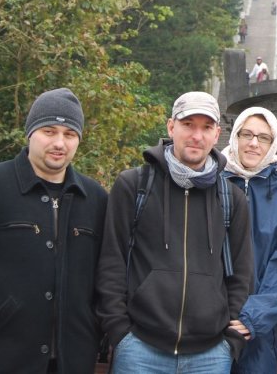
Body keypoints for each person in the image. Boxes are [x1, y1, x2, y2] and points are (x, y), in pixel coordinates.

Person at [0, 88, 108, 374]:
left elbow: (105, 280)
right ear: (30, 133)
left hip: (73, 361)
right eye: (49, 131)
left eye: (69, 134)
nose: (59, 143)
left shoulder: (97, 199)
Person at [96, 92, 253, 373]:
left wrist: (230, 340)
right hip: (139, 349)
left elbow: (242, 273)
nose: (197, 136)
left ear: (217, 134)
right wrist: (118, 330)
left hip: (211, 354)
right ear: (171, 127)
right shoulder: (134, 186)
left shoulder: (231, 198)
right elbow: (112, 261)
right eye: (188, 124)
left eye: (206, 127)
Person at [223, 107, 277, 374]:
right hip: (208, 321)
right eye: (246, 134)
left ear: (273, 144)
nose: (253, 143)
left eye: (263, 137)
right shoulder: (212, 183)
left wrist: (255, 316)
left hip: (260, 328)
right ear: (235, 136)